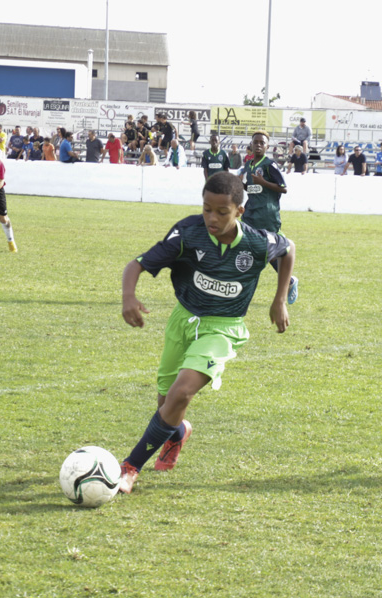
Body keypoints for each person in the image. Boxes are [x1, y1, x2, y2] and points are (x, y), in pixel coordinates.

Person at [115, 172, 296, 494]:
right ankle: (178, 433)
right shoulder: (188, 232)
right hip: (182, 320)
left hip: (224, 328)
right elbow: (137, 264)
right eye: (206, 209)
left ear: (239, 210)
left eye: (222, 212)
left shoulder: (256, 241)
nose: (212, 218)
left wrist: (279, 299)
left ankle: (130, 467)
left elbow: (288, 249)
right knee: (166, 403)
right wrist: (129, 296)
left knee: (181, 393)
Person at [238, 130, 298, 304]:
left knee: (267, 251)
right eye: (255, 142)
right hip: (250, 214)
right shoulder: (248, 166)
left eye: (261, 143)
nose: (258, 145)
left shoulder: (270, 165)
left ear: (267, 146)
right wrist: (240, 185)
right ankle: (241, 288)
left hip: (267, 215)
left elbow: (283, 188)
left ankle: (290, 281)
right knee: (248, 248)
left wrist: (263, 182)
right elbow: (252, 189)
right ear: (251, 144)